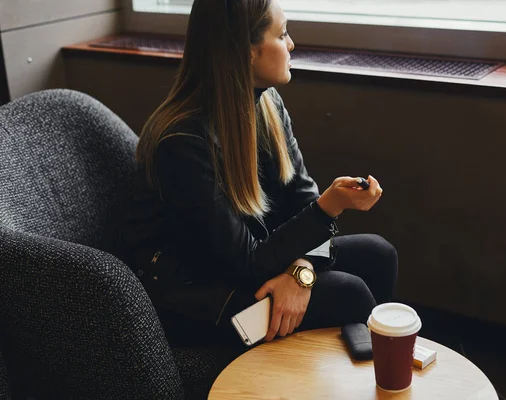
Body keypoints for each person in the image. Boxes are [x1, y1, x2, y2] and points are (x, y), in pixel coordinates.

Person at [117, 0, 398, 350]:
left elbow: (303, 207)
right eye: (281, 34)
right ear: (246, 51)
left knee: (378, 254)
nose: (292, 44)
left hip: (247, 266)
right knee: (348, 293)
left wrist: (300, 273)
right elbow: (245, 262)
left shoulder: (266, 105)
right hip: (198, 302)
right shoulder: (182, 143)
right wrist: (329, 209)